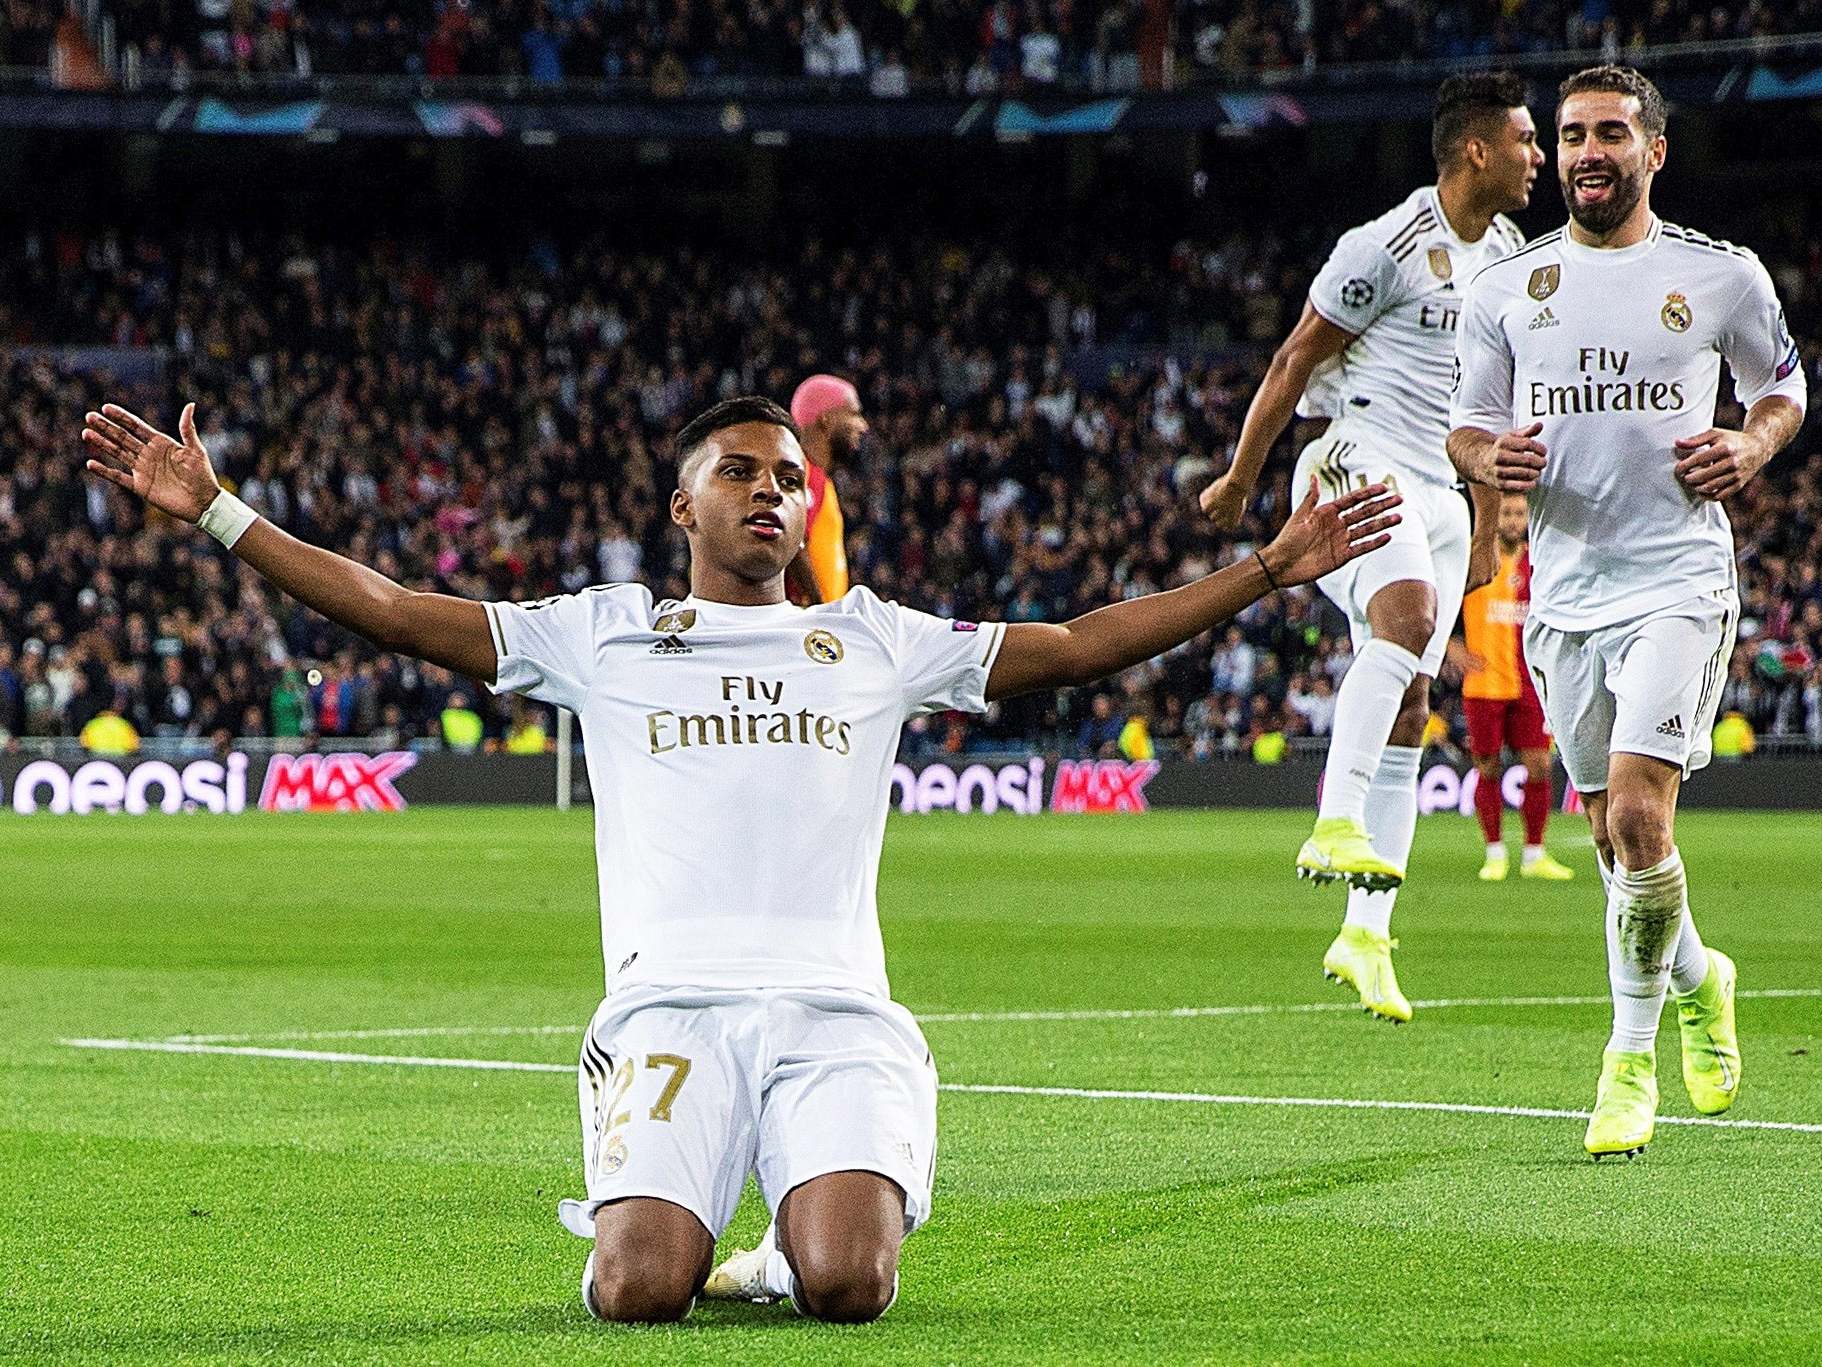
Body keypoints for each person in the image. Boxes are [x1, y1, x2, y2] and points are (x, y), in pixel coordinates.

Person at [80, 394, 1397, 1325]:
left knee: (848, 1287)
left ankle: (772, 1248)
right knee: (638, 1291)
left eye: (790, 478)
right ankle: (652, 1221)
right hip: (667, 1011)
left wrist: (1266, 570)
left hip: (837, 1014)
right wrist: (222, 514)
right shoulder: (600, 632)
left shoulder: (872, 638)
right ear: (681, 505)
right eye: (743, 472)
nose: (774, 490)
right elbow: (394, 610)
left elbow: (1077, 642)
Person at [1448, 65, 1806, 1157]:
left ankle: (1627, 1060)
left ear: (1654, 151)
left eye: (1610, 133)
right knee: (1611, 835)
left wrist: (1751, 439)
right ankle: (1703, 972)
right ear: (1551, 154)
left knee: (1643, 818)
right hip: (1563, 593)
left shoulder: (1717, 276)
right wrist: (1486, 455)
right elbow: (1464, 424)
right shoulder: (1507, 289)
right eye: (1569, 136)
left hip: (1677, 581)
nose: (1586, 153)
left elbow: (1785, 385)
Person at [1197, 70, 1545, 1022]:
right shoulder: (1386, 245)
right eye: (1525, 140)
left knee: (1415, 703)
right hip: (1355, 452)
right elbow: (1296, 356)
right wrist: (1239, 477)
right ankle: (1333, 818)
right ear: (1476, 149)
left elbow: (1489, 406)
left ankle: (1366, 933)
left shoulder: (1511, 253)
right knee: (1407, 621)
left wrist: (1482, 526)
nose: (1539, 157)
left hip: (1439, 486)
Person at [1454, 492, 1574, 881]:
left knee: (1539, 767)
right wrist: (1450, 648)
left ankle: (1534, 854)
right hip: (1484, 682)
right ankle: (1494, 852)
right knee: (1486, 766)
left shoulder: (1540, 563)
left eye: (1519, 512)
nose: (1512, 519)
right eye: (1506, 512)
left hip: (1530, 684)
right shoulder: (1473, 561)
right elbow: (1435, 604)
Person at [787, 374, 865, 603]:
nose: (863, 425)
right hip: (804, 627)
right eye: (854, 414)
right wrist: (820, 607)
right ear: (826, 420)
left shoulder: (820, 478)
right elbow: (792, 541)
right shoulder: (801, 472)